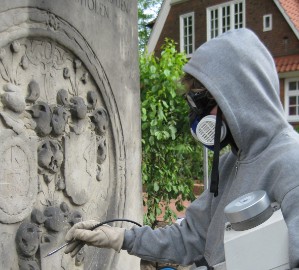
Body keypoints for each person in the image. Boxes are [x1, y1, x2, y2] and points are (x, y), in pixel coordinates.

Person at [64, 28, 299, 269]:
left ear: (239, 95)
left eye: (203, 103)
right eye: (193, 103)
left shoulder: (291, 164)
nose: (199, 115)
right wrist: (120, 238)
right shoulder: (232, 163)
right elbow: (189, 237)